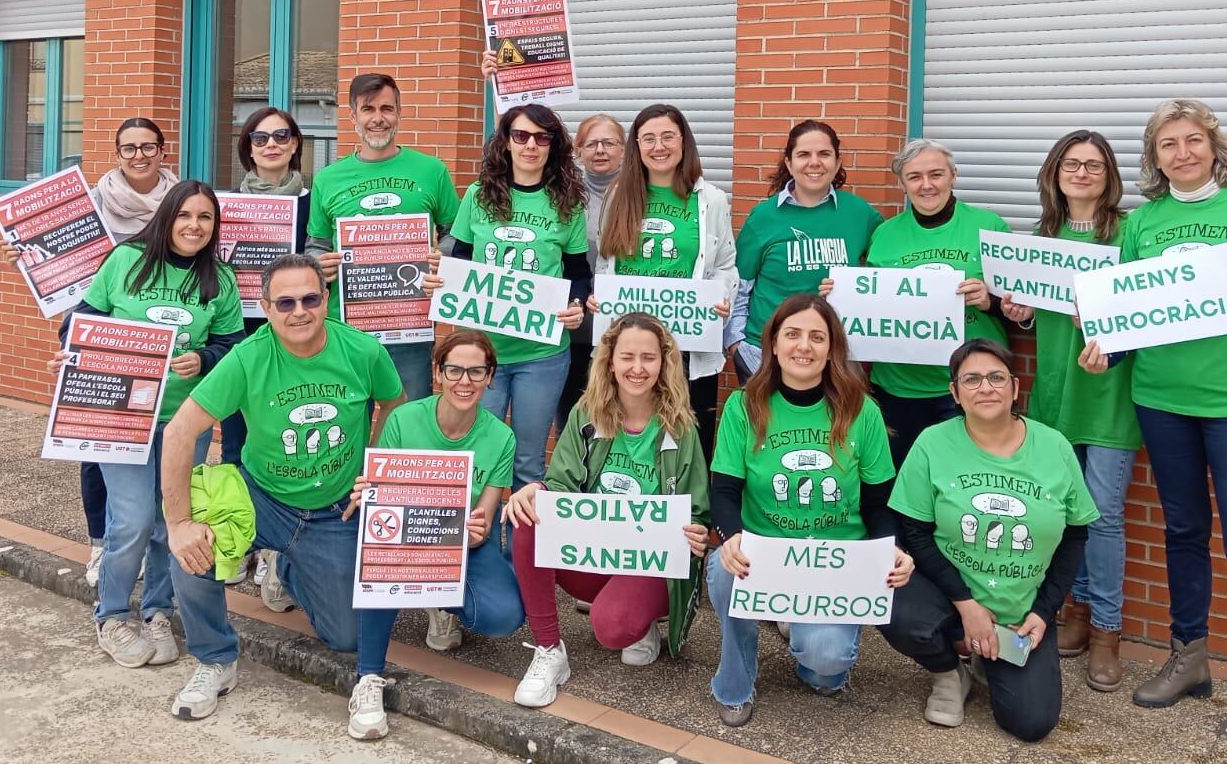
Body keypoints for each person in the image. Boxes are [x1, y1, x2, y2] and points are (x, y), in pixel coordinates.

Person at [1080, 99, 1227, 764]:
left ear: (1214, 147)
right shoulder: (1144, 223)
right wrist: (1106, 350)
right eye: (1167, 144)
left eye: (1193, 141)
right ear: (1153, 158)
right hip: (1161, 397)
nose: (1182, 153)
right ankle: (1190, 657)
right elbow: (1129, 317)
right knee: (1183, 528)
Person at [162, 253, 405, 730]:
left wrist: (377, 469)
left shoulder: (363, 350)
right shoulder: (249, 357)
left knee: (347, 637)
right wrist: (178, 524)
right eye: (286, 302)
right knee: (193, 551)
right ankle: (215, 659)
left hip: (334, 509)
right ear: (267, 307)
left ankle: (288, 568)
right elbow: (178, 433)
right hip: (260, 497)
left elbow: (394, 406)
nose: (300, 311)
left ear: (326, 300)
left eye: (310, 298)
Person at [64, 179, 245, 671]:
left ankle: (158, 611)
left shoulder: (219, 279)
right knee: (133, 520)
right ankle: (113, 614)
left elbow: (233, 347)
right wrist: (75, 349)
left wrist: (203, 357)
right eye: (186, 215)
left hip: (184, 421)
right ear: (168, 216)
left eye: (205, 218)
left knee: (172, 523)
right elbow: (81, 320)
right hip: (120, 415)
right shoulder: (126, 261)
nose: (194, 225)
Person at [707, 294, 910, 727]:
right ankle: (735, 682)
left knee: (826, 669)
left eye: (817, 337)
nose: (805, 346)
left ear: (832, 348)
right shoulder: (744, 406)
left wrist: (888, 550)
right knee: (723, 571)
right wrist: (732, 537)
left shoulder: (861, 411)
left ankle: (799, 627)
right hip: (765, 555)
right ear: (774, 345)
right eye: (793, 334)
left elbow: (878, 503)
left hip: (835, 561)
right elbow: (724, 489)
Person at [880, 339, 1098, 742]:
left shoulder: (1054, 447)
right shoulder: (932, 443)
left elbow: (1075, 536)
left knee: (1032, 724)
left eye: (997, 378)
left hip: (1020, 605)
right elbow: (915, 532)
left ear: (1015, 388)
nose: (986, 388)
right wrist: (966, 605)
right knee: (893, 605)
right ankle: (949, 672)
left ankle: (988, 655)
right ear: (954, 392)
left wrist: (1045, 611)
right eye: (973, 379)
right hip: (950, 593)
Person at [502, 312, 710, 707]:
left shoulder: (680, 428)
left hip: (649, 565)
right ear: (609, 360)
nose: (637, 368)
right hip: (594, 555)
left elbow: (697, 511)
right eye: (627, 356)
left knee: (613, 629)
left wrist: (697, 531)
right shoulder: (587, 413)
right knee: (530, 517)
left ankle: (643, 620)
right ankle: (549, 650)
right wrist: (536, 489)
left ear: (663, 362)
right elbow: (559, 485)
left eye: (648, 358)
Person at [4, 115, 177, 586]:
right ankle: (103, 543)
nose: (139, 155)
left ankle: (154, 544)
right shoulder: (90, 203)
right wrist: (28, 253)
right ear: (116, 153)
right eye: (129, 148)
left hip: (166, 340)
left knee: (162, 447)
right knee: (97, 445)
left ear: (164, 151)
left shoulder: (183, 203)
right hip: (101, 336)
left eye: (148, 146)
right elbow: (59, 266)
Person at [997, 130, 1138, 693]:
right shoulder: (1039, 239)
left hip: (1109, 395)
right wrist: (1019, 312)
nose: (1082, 173)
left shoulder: (1133, 234)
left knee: (1102, 517)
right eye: (1071, 164)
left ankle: (1107, 630)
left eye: (1094, 165)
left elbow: (1149, 308)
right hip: (1055, 393)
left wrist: (1107, 320)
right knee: (1060, 515)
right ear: (1054, 173)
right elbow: (1028, 321)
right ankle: (1074, 612)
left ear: (1110, 176)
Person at [351, 330, 527, 738]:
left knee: (503, 616)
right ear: (438, 373)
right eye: (455, 370)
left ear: (490, 377)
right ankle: (368, 678)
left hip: (461, 545)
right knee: (380, 570)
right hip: (402, 539)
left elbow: (484, 518)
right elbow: (380, 496)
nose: (465, 381)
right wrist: (369, 491)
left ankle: (436, 597)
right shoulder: (403, 419)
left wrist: (478, 529)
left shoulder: (501, 436)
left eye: (476, 371)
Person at [425, 103, 590, 489]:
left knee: (529, 462)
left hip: (542, 354)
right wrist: (440, 280)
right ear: (506, 143)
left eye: (541, 137)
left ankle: (520, 549)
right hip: (482, 354)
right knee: (477, 457)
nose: (531, 144)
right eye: (521, 135)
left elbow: (578, 271)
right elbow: (460, 259)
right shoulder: (479, 195)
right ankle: (472, 543)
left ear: (553, 145)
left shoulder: (567, 203)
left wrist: (576, 304)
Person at [307, 72, 460, 402]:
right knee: (347, 423)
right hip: (347, 328)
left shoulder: (432, 171)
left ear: (399, 114)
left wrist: (442, 256)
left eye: (387, 109)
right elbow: (316, 244)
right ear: (352, 116)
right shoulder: (328, 178)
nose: (378, 119)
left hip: (411, 324)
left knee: (409, 420)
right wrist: (319, 263)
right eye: (368, 109)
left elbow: (456, 236)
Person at [594, 104, 736, 457]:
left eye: (668, 136)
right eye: (649, 139)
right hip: (627, 343)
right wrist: (599, 297)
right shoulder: (618, 195)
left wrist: (723, 299)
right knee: (624, 436)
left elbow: (725, 264)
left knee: (687, 441)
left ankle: (691, 512)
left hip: (686, 342)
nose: (659, 146)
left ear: (683, 142)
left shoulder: (711, 199)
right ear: (637, 147)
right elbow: (604, 260)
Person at [865, 138, 1012, 466]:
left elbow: (1020, 308)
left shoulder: (989, 227)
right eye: (915, 177)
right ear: (902, 183)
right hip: (898, 386)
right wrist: (840, 294)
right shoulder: (885, 234)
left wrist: (990, 300)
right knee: (904, 485)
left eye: (936, 174)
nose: (926, 185)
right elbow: (870, 303)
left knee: (968, 481)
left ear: (953, 175)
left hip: (972, 384)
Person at [224, 105, 311, 597]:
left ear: (296, 143)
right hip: (240, 335)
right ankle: (243, 537)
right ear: (248, 147)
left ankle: (277, 552)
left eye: (281, 136)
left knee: (283, 438)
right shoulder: (226, 204)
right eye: (260, 138)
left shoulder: (312, 200)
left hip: (294, 338)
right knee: (237, 443)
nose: (271, 145)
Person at [727, 120, 882, 382]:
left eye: (824, 154)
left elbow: (884, 275)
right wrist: (737, 345)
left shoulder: (860, 214)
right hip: (765, 355)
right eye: (803, 155)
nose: (814, 162)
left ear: (838, 161)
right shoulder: (763, 217)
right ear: (789, 163)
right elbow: (739, 287)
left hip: (835, 354)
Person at [560, 113, 625, 432]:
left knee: (622, 411)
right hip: (573, 325)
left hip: (623, 324)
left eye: (609, 143)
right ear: (578, 150)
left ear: (624, 149)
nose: (600, 150)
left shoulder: (641, 193)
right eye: (591, 143)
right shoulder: (562, 194)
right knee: (572, 412)